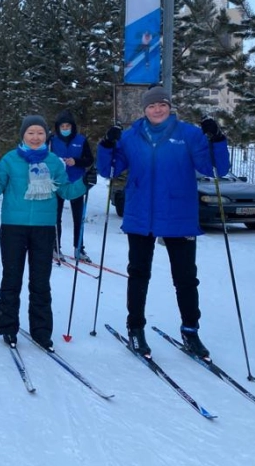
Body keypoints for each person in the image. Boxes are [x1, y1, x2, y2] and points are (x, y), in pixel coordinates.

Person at [97, 85, 230, 359]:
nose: (158, 109)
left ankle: (190, 331)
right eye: (152, 106)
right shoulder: (132, 136)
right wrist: (107, 145)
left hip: (178, 213)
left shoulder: (189, 134)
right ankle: (135, 328)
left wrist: (216, 138)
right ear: (144, 109)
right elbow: (108, 169)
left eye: (163, 105)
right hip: (140, 215)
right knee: (138, 274)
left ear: (170, 107)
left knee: (185, 278)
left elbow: (216, 169)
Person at [0, 115, 89, 351]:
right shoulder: (10, 159)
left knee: (40, 281)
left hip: (44, 227)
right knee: (12, 279)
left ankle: (41, 332)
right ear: (23, 135)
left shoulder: (54, 162)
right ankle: (8, 328)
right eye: (30, 133)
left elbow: (66, 192)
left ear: (46, 136)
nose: (35, 137)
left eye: (39, 133)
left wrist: (84, 183)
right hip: (13, 227)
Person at [49, 109, 94, 261]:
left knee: (78, 217)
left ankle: (79, 248)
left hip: (76, 183)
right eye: (63, 126)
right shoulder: (52, 140)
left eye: (68, 126)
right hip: (58, 182)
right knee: (56, 216)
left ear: (73, 127)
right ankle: (55, 246)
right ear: (58, 127)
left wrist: (76, 161)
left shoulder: (81, 140)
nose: (65, 129)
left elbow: (89, 160)